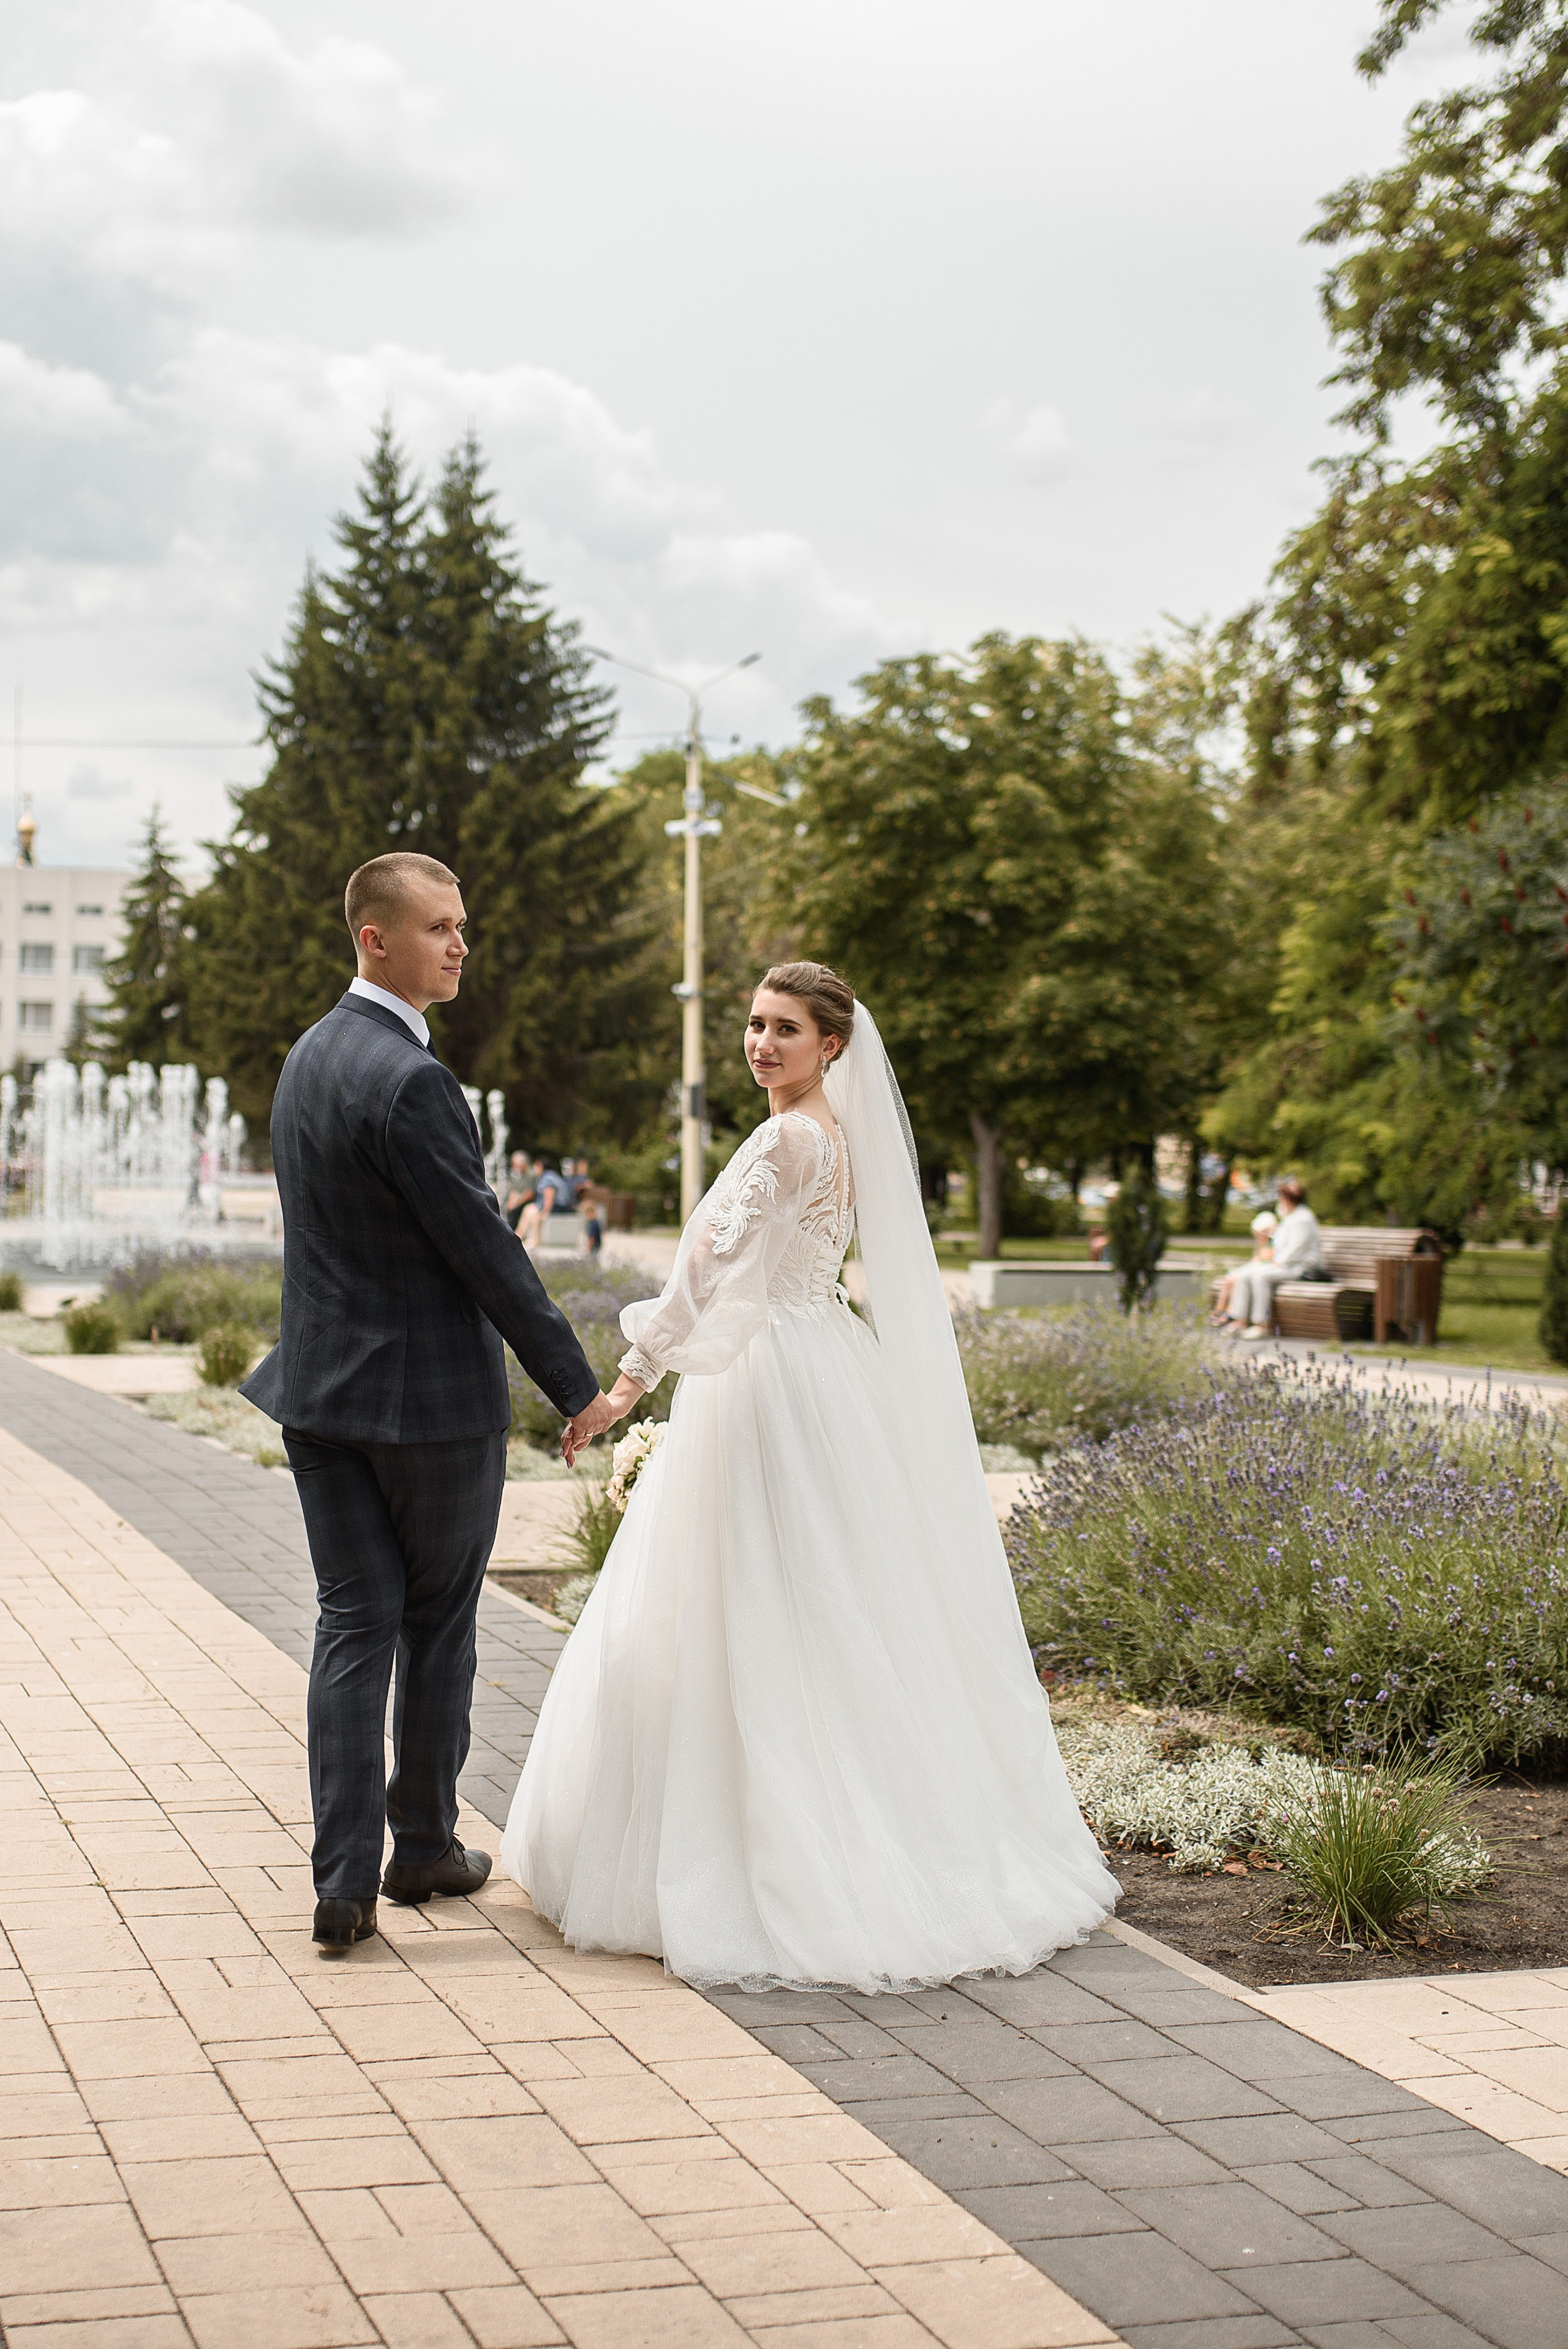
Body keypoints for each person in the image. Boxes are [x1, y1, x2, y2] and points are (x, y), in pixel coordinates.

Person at [502, 960, 1118, 1990]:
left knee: (743, 1599)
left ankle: (756, 1863)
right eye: (752, 1024)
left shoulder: (791, 1135)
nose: (761, 1043)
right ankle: (874, 1831)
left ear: (832, 1043)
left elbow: (707, 1266)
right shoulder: (838, 1135)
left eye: (784, 1028)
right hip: (824, 1364)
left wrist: (626, 1385)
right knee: (826, 1605)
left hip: (768, 1383)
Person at [243, 853, 618, 1954]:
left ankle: (342, 1885)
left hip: (320, 1397)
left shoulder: (311, 1056)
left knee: (352, 1626)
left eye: (462, 927)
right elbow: (488, 1256)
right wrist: (579, 1387)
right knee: (436, 1625)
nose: (461, 946)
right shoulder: (412, 1080)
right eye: (440, 928)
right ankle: (423, 1850)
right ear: (377, 939)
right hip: (428, 1410)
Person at [1226, 1177, 1325, 1337]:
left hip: (1301, 1267)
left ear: (1288, 1200)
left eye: (1282, 1198)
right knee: (1244, 1275)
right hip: (1283, 1264)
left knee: (1260, 1277)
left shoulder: (1304, 1219)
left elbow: (1296, 1249)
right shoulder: (1290, 1218)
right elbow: (1278, 1244)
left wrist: (1276, 1262)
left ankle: (1261, 1324)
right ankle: (1240, 1320)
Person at [1210, 1209, 1276, 1327]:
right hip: (1255, 1269)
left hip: (1262, 1270)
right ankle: (1219, 1311)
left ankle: (1229, 1313)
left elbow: (1265, 1260)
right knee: (1229, 1280)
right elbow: (1255, 1260)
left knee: (1236, 1280)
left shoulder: (1272, 1243)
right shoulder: (1262, 1243)